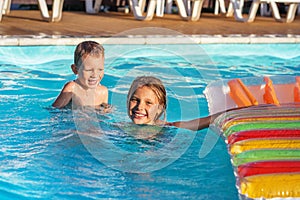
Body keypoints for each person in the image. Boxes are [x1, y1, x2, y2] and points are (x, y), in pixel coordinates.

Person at [127, 76, 221, 131]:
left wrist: (228, 112)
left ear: (160, 107)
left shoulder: (168, 128)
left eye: (148, 103)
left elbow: (201, 122)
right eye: (135, 100)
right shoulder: (120, 129)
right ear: (128, 100)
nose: (139, 107)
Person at [52, 41, 109, 110]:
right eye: (89, 70)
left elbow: (105, 113)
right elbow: (54, 110)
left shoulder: (103, 91)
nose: (95, 75)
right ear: (75, 70)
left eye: (100, 69)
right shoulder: (72, 88)